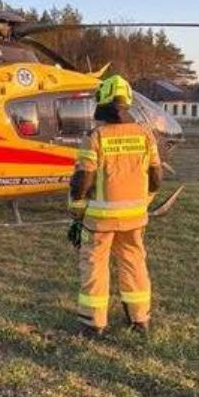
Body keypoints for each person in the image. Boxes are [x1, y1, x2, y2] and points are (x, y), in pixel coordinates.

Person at [68, 74, 163, 337]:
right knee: (134, 263)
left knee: (94, 265)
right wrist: (144, 201)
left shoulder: (96, 137)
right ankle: (140, 319)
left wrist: (76, 206)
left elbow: (82, 178)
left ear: (104, 104)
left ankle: (93, 322)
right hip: (134, 218)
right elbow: (156, 177)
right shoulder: (146, 136)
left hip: (99, 220)